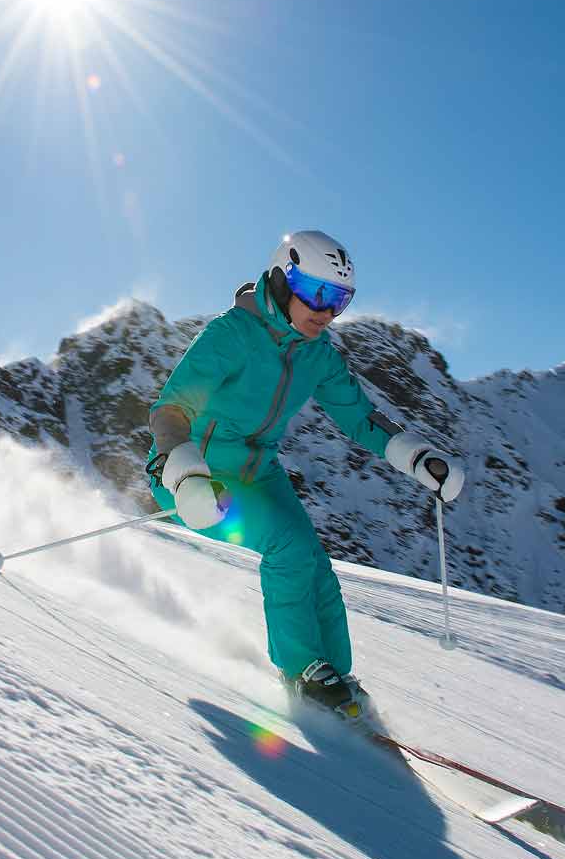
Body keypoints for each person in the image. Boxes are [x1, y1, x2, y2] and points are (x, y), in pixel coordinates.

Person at [144, 230, 463, 725]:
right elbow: (171, 410)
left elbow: (360, 418)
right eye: (316, 293)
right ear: (280, 278)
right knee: (289, 551)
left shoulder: (319, 354)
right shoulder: (232, 334)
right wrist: (185, 477)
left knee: (315, 563)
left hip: (259, 471)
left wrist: (416, 456)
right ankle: (302, 674)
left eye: (338, 299)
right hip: (196, 474)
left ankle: (335, 673)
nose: (325, 310)